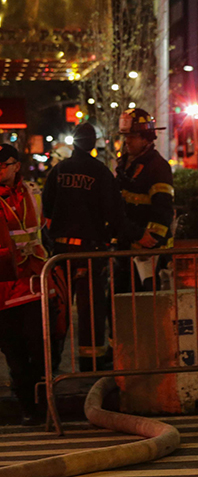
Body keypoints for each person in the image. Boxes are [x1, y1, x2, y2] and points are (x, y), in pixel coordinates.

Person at [42, 123, 126, 371]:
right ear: (93, 143)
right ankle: (91, 363)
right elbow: (114, 212)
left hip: (60, 254)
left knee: (58, 310)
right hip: (90, 253)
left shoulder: (58, 171)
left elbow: (46, 208)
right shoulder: (100, 173)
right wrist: (119, 236)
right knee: (92, 310)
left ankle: (52, 362)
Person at [0, 144, 49, 424]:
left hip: (33, 285)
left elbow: (43, 230)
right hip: (4, 289)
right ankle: (28, 408)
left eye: (3, 164)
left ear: (16, 165)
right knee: (14, 352)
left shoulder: (33, 193)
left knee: (38, 348)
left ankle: (42, 404)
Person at [115, 108, 174, 291]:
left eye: (132, 137)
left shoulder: (158, 167)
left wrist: (149, 240)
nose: (127, 141)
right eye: (125, 136)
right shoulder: (126, 165)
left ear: (146, 138)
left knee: (146, 304)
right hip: (127, 247)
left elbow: (163, 209)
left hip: (148, 254)